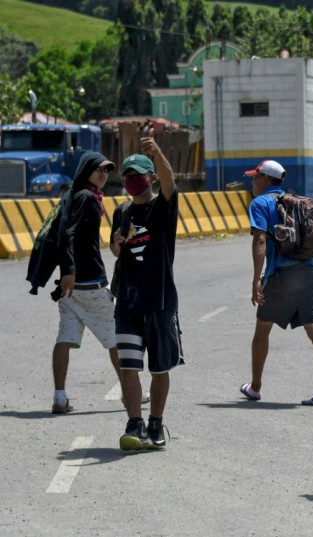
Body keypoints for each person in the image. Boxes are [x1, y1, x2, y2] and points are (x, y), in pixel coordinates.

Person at [239, 159, 313, 406]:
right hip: (309, 271)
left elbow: (260, 240)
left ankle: (255, 387)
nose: (252, 181)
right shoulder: (297, 202)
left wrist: (256, 280)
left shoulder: (260, 203)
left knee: (263, 327)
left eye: (254, 177)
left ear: (264, 179)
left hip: (281, 274)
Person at [110, 138, 183, 450]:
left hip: (160, 303)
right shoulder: (122, 212)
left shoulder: (162, 207)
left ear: (151, 178)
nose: (132, 181)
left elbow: (171, 184)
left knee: (159, 368)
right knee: (128, 366)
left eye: (138, 175)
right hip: (127, 303)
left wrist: (158, 155)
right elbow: (116, 251)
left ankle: (156, 422)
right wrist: (117, 243)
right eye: (127, 176)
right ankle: (134, 421)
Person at [51, 151, 121, 414]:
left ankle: (60, 397)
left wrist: (67, 273)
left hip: (69, 290)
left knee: (64, 339)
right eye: (98, 170)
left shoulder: (73, 195)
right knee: (116, 339)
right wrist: (70, 270)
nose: (103, 174)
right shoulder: (87, 198)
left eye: (106, 170)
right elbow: (68, 234)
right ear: (86, 171)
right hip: (89, 284)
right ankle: (130, 392)